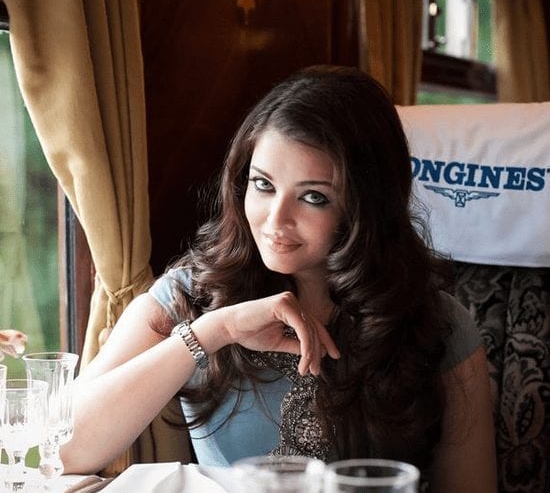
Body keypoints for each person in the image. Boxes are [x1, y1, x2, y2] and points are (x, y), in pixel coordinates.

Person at [61, 65, 497, 491]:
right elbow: (64, 451)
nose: (276, 220)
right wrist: (215, 330)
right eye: (263, 185)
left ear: (366, 207)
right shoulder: (188, 297)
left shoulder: (437, 325)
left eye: (313, 197)